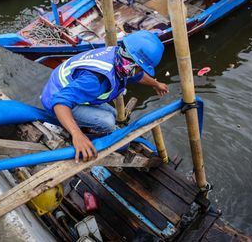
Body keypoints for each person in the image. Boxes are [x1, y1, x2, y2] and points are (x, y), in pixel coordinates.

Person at [41, 30, 169, 163]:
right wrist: (76, 134)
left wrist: (156, 84)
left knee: (113, 114)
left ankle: (85, 127)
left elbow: (137, 75)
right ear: (131, 65)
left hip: (73, 89)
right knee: (107, 121)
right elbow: (60, 102)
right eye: (140, 68)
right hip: (56, 99)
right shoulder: (96, 79)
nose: (140, 72)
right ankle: (82, 138)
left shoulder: (119, 56)